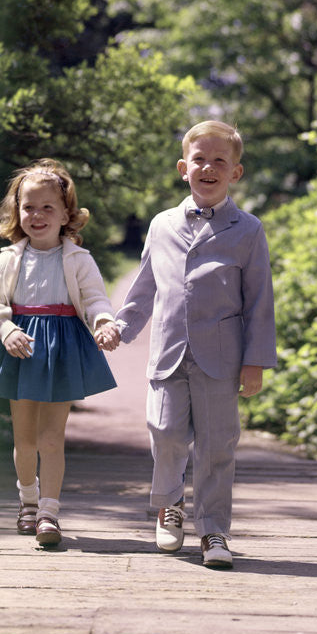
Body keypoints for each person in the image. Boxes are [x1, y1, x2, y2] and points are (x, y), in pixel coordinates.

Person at [114, 120, 277, 569]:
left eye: (219, 161)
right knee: (165, 433)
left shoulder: (248, 230)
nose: (208, 168)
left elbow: (260, 301)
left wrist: (255, 362)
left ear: (235, 172)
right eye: (199, 160)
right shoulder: (162, 225)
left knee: (217, 444)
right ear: (184, 167)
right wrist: (119, 328)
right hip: (168, 354)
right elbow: (144, 289)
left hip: (221, 359)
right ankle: (170, 505)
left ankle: (213, 530)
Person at [0, 159, 121, 548]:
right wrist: (5, 329)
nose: (37, 215)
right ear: (16, 211)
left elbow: (94, 299)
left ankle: (49, 513)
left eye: (47, 208)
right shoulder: (8, 259)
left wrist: (105, 322)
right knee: (24, 440)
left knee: (52, 438)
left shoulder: (78, 259)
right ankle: (27, 501)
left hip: (61, 348)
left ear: (66, 214)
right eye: (28, 207)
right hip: (20, 346)